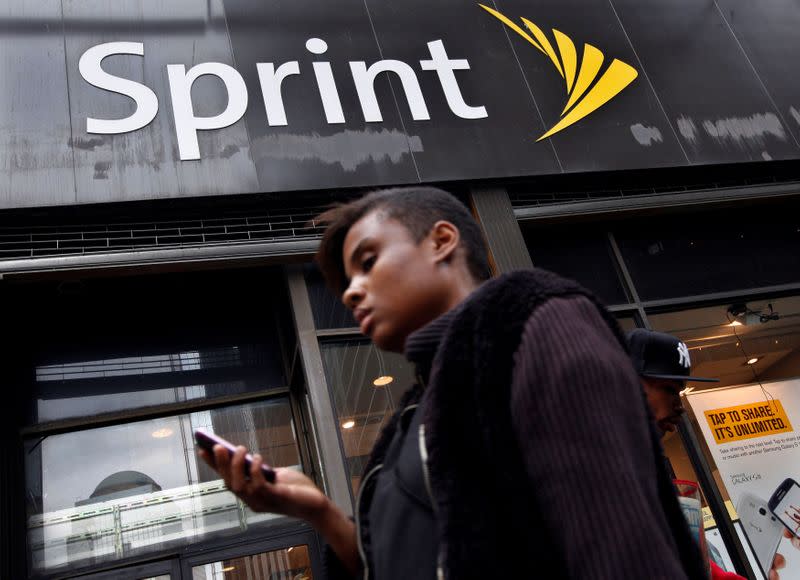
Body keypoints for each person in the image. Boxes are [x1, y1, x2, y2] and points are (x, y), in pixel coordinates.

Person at [200, 186, 706, 579]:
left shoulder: (538, 324)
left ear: (442, 240)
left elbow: (621, 551)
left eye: (368, 262)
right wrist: (321, 514)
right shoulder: (416, 418)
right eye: (346, 281)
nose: (352, 292)